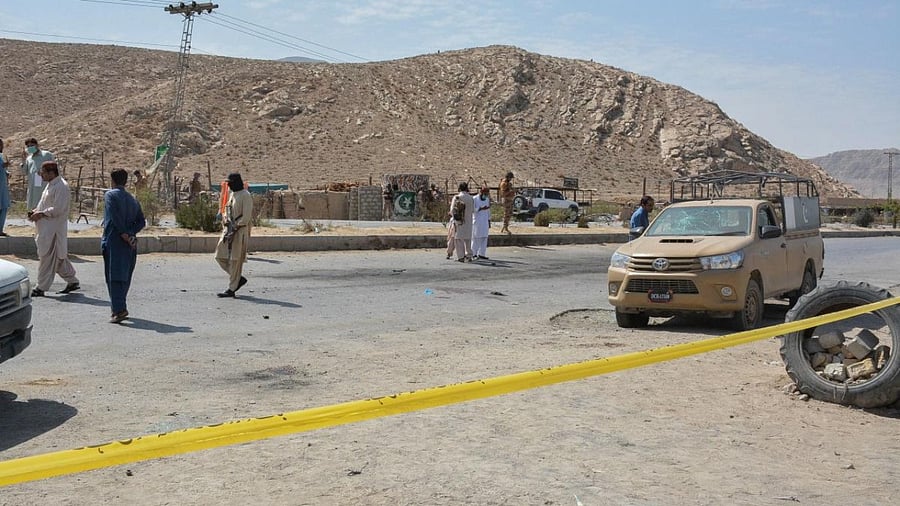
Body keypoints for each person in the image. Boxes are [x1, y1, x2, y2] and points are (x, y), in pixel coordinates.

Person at [28, 160, 79, 296]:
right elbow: (45, 203)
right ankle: (72, 281)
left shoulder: (62, 186)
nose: (41, 175)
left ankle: (41, 287)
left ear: (51, 173)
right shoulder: (51, 185)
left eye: (43, 173)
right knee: (57, 258)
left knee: (47, 259)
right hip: (45, 228)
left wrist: (41, 214)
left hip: (53, 230)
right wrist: (35, 211)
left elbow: (58, 208)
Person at [102, 169, 146, 323]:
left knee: (113, 276)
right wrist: (131, 233)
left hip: (114, 240)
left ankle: (119, 309)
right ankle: (119, 306)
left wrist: (123, 233)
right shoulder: (132, 199)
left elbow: (114, 216)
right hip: (130, 243)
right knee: (125, 275)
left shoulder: (110, 195)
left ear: (112, 180)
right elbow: (141, 221)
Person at [214, 172, 253, 298]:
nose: (229, 185)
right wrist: (225, 219)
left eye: (231, 183)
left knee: (235, 260)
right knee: (220, 256)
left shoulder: (245, 195)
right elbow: (227, 209)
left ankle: (232, 288)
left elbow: (246, 217)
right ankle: (237, 279)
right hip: (228, 230)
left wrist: (236, 226)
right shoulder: (232, 194)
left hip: (239, 232)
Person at [21, 138, 56, 211]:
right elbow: (24, 172)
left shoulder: (46, 155)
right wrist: (23, 160)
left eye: (32, 145)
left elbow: (55, 169)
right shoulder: (29, 159)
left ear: (37, 145)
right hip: (33, 188)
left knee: (44, 207)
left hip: (45, 186)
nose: (30, 148)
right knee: (34, 208)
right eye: (28, 146)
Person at [449, 182, 475, 262]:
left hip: (459, 221)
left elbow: (452, 210)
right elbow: (473, 210)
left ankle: (461, 256)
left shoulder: (457, 197)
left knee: (459, 239)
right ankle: (469, 255)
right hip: (469, 221)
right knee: (468, 239)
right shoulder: (471, 198)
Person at [471, 185, 491, 259]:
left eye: (487, 193)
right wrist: (480, 208)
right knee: (476, 238)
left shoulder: (487, 199)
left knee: (484, 237)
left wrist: (489, 220)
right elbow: (472, 210)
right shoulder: (474, 199)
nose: (486, 194)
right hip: (477, 221)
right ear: (481, 192)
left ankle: (482, 254)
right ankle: (473, 253)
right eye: (485, 193)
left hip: (485, 221)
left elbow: (488, 211)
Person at [0, 139, 10, 236]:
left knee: (3, 207)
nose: (2, 147)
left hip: (3, 187)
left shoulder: (1, 157)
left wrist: (6, 172)